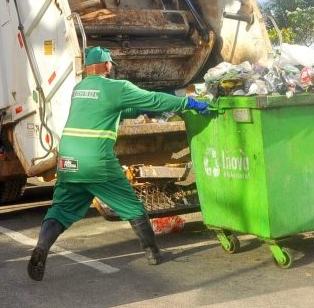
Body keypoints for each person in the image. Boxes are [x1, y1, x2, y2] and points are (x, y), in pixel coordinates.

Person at [28, 46, 211, 281]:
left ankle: (42, 247)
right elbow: (153, 98)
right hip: (96, 159)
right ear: (107, 65)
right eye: (111, 64)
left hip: (68, 158)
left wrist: (139, 109)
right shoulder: (117, 87)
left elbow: (111, 110)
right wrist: (187, 103)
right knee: (132, 207)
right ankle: (153, 253)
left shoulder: (79, 88)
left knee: (61, 210)